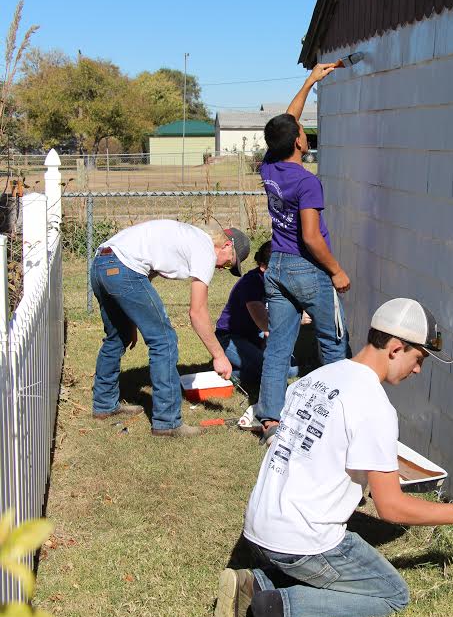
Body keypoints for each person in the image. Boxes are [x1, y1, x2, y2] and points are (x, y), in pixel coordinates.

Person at [213, 298, 453, 617]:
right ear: (396, 349)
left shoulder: (318, 377)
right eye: (419, 359)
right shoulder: (373, 405)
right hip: (300, 541)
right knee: (391, 593)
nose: (418, 370)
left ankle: (256, 581)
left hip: (258, 530)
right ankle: (278, 606)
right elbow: (391, 508)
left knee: (326, 568)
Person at [256, 63, 351, 444]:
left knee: (279, 346)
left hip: (276, 267)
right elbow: (311, 238)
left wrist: (310, 81)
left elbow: (287, 122)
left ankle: (270, 421)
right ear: (299, 142)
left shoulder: (269, 167)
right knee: (332, 342)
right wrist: (337, 271)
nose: (303, 133)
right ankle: (340, 419)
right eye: (301, 133)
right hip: (306, 267)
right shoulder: (307, 181)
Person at [91, 219, 250, 438]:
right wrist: (219, 355)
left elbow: (148, 269)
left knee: (116, 338)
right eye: (230, 263)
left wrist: (133, 320)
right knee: (163, 340)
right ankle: (167, 422)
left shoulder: (188, 237)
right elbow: (197, 312)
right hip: (124, 268)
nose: (223, 268)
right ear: (226, 246)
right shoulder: (205, 248)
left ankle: (104, 404)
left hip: (101, 262)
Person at [215, 240, 308, 385]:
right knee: (284, 370)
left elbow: (269, 328)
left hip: (254, 335)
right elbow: (264, 324)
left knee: (290, 367)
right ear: (264, 267)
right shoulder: (251, 283)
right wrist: (297, 318)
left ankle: (242, 367)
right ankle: (224, 376)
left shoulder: (278, 282)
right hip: (229, 339)